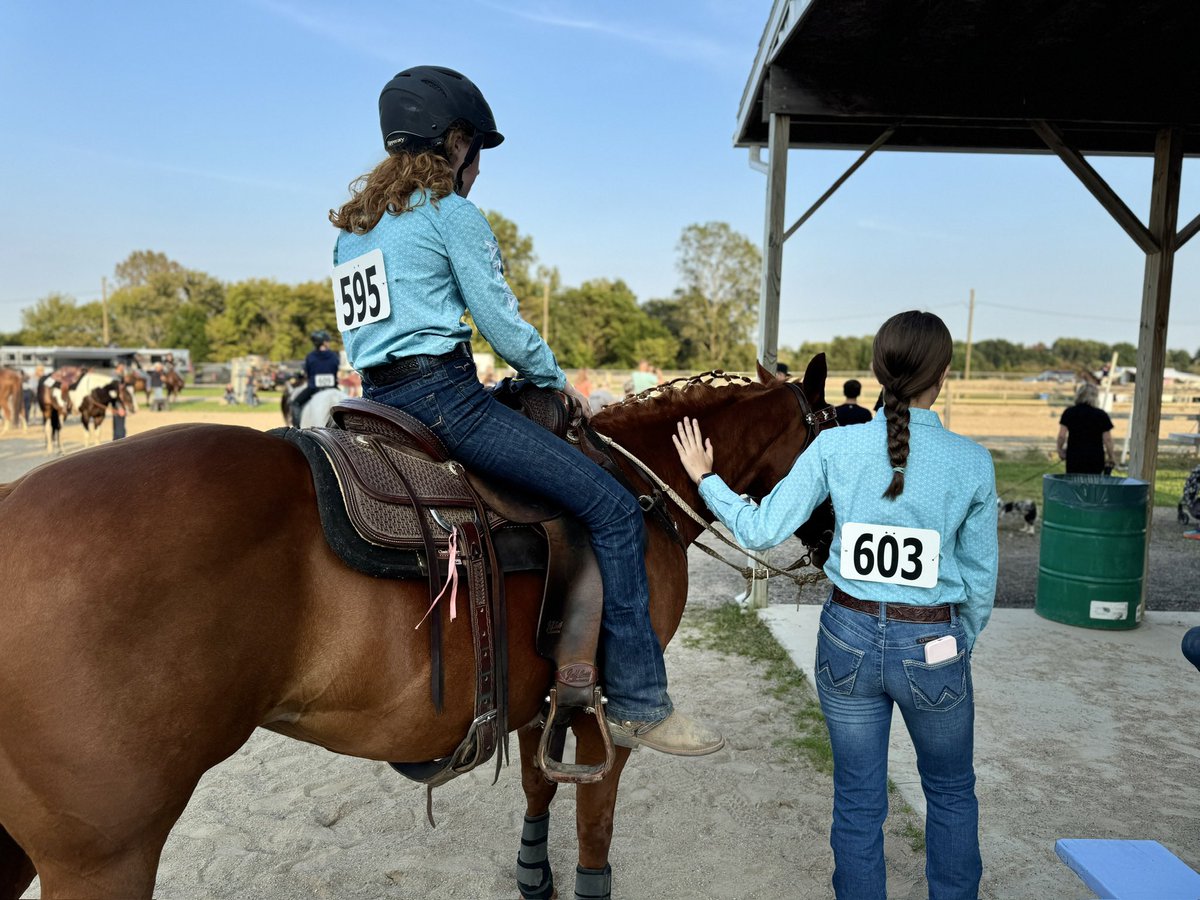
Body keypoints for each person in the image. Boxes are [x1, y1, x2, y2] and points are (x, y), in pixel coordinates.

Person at [329, 65, 720, 755]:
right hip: (445, 399)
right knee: (615, 509)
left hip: (379, 403)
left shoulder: (355, 234)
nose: (477, 167)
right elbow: (500, 322)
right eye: (475, 149)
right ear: (456, 142)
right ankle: (639, 700)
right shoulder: (450, 213)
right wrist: (552, 377)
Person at [674, 310, 997, 899]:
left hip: (846, 636)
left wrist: (705, 478)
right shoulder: (972, 462)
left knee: (857, 799)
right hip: (934, 642)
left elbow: (760, 529)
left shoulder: (836, 448)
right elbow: (979, 582)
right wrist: (956, 643)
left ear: (876, 370)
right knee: (950, 792)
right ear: (944, 375)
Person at [1057, 383, 1115, 474]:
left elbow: (1061, 436)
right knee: (1093, 486)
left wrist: (1060, 450)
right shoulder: (1101, 415)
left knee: (1074, 486)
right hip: (1095, 458)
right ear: (1095, 397)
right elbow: (1107, 439)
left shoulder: (1069, 412)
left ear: (1079, 395)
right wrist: (1111, 457)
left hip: (1074, 458)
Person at [290, 331, 341, 426]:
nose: (329, 343)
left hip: (314, 388)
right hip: (332, 387)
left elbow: (308, 373)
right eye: (327, 341)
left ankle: (296, 429)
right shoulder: (334, 356)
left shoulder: (311, 356)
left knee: (295, 403)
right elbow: (335, 370)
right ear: (324, 342)